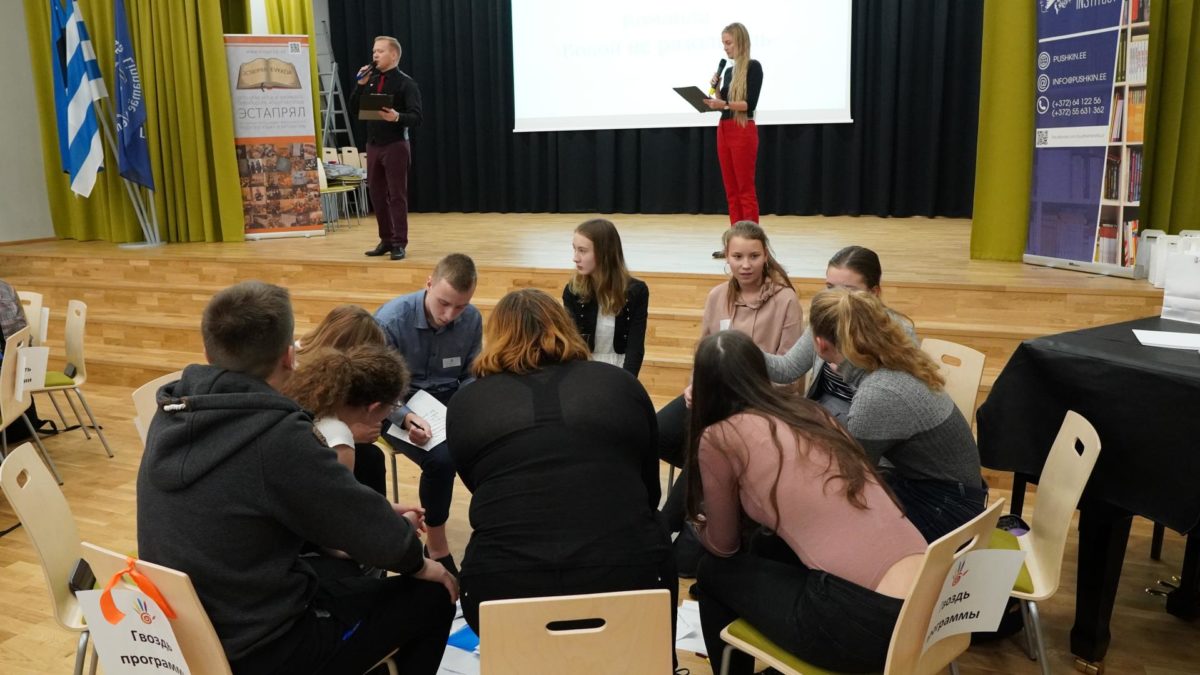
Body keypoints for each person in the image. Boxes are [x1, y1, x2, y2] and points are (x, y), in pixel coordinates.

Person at [137, 281, 456, 674]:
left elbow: (329, 513)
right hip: (261, 649)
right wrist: (421, 562)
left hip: (180, 637)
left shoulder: (171, 413)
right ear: (289, 357)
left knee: (342, 574)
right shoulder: (276, 437)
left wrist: (380, 524)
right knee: (434, 594)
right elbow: (367, 532)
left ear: (208, 353)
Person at [686, 330, 927, 674]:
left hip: (870, 626)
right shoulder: (813, 412)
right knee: (768, 546)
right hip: (930, 609)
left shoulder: (719, 436)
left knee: (712, 571)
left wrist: (699, 527)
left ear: (703, 385)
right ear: (759, 371)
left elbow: (724, 547)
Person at [446, 289, 675, 637]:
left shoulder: (467, 402)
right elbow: (649, 491)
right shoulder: (620, 384)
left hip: (500, 589)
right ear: (564, 327)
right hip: (632, 582)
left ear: (495, 337)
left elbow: (480, 484)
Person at [808, 288, 985, 542]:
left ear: (820, 343)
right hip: (952, 492)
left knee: (831, 524)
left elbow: (851, 477)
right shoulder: (896, 362)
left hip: (950, 510)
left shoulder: (877, 393)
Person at [376, 254, 482, 575]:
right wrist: (406, 418)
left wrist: (463, 411)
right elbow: (378, 387)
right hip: (396, 402)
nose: (450, 315)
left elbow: (470, 375)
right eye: (444, 303)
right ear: (428, 284)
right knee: (442, 460)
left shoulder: (472, 319)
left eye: (460, 307)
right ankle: (435, 544)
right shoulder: (390, 321)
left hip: (448, 401)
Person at [763, 246, 917, 422]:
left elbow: (894, 399)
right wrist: (743, 348)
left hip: (867, 416)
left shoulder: (898, 331)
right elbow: (788, 369)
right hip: (822, 408)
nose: (835, 297)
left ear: (873, 293)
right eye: (830, 287)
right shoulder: (824, 318)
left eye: (848, 290)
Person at [293, 305, 393, 495]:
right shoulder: (294, 370)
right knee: (370, 459)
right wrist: (350, 434)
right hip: (305, 456)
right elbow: (298, 431)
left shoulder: (311, 356)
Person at [353, 36, 422, 261]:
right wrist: (360, 85)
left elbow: (417, 117)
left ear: (394, 55)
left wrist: (397, 117)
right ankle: (386, 239)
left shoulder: (406, 83)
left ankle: (399, 243)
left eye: (380, 51)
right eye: (374, 51)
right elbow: (354, 108)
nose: (375, 55)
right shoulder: (371, 80)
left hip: (395, 145)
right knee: (376, 194)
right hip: (373, 145)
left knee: (397, 195)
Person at [562, 218, 649, 376]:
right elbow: (572, 344)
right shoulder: (572, 291)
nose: (575, 258)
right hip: (585, 369)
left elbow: (635, 347)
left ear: (604, 253)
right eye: (574, 249)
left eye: (582, 251)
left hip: (621, 370)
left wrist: (626, 382)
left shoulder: (637, 291)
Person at [705, 23, 763, 258]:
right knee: (731, 191)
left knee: (744, 190)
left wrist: (725, 103)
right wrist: (717, 91)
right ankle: (735, 244)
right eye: (723, 43)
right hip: (725, 129)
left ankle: (753, 244)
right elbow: (724, 104)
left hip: (742, 129)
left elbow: (749, 104)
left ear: (740, 41)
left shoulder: (753, 67)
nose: (725, 48)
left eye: (728, 43)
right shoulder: (729, 72)